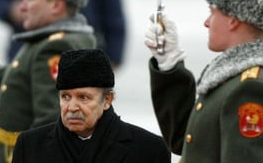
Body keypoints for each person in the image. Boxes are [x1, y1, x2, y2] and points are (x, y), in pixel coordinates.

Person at [145, 0, 263, 163]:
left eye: (213, 12)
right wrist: (169, 63)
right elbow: (190, 140)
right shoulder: (240, 76)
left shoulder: (252, 89)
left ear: (233, 20)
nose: (207, 22)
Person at [0, 0, 96, 162]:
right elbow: (16, 84)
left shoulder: (55, 48)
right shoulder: (50, 39)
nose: (22, 6)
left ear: (56, 5)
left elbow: (50, 126)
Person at [11, 49, 171, 163]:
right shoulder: (30, 146)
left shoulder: (149, 150)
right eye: (65, 97)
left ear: (108, 100)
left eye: (83, 98)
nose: (72, 107)